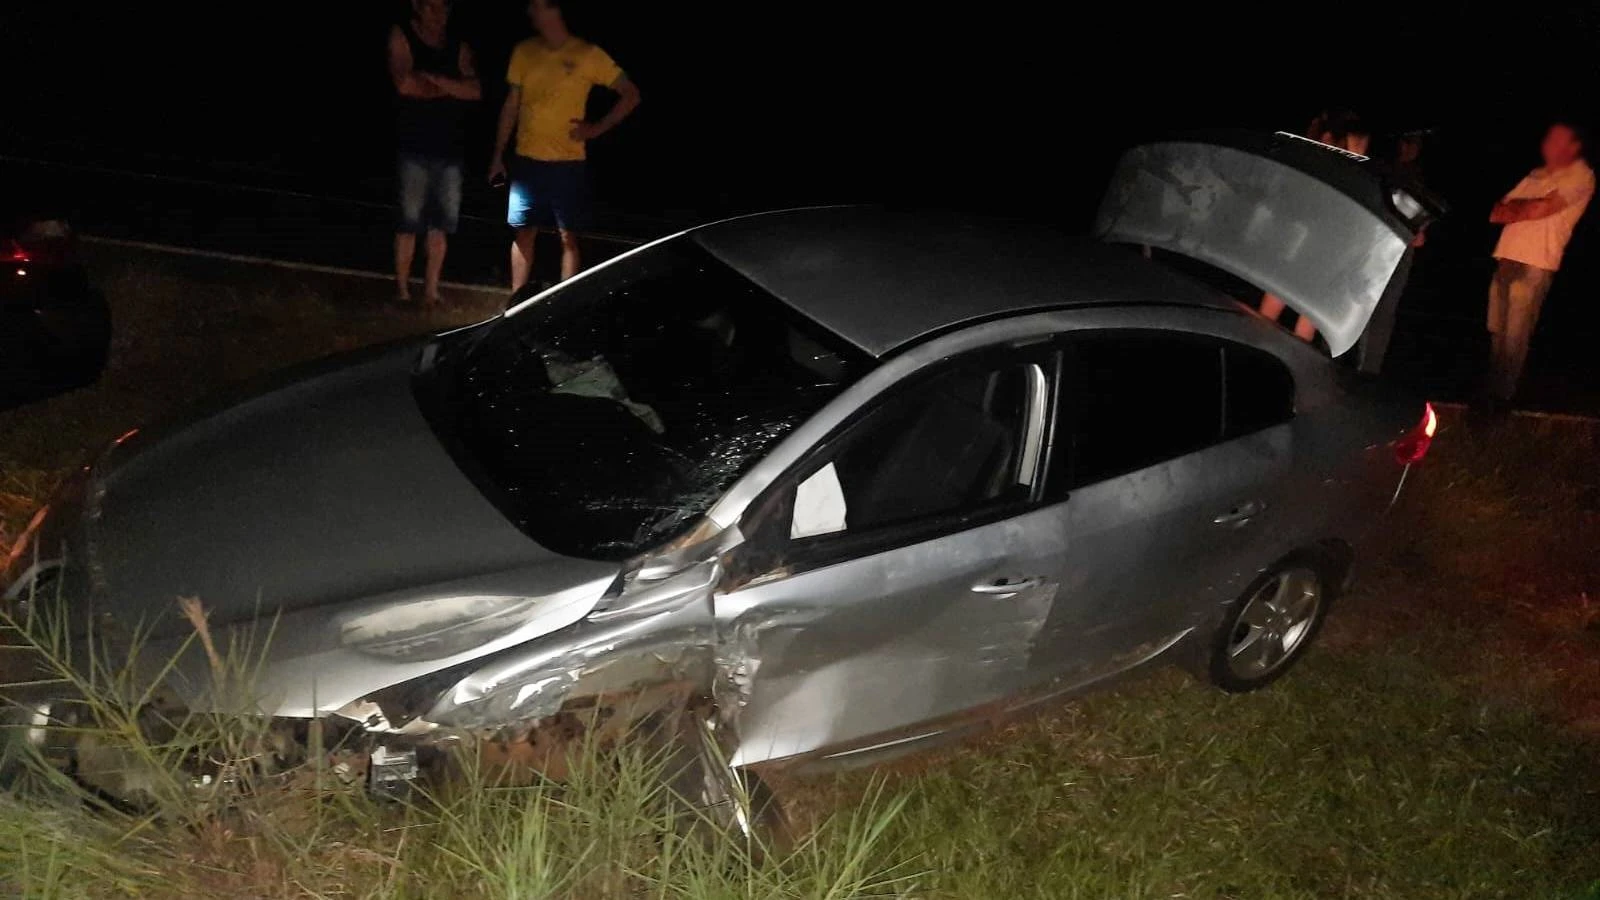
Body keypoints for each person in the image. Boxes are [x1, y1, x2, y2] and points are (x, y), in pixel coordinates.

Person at [489, 0, 641, 291]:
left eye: (538, 7)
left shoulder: (587, 54)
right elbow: (511, 105)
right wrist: (498, 155)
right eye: (531, 8)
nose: (532, 14)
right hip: (527, 160)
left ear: (555, 10)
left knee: (568, 237)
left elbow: (630, 94)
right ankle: (516, 301)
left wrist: (595, 128)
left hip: (568, 162)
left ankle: (563, 303)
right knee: (523, 232)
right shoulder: (524, 51)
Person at [1485, 122, 1594, 404]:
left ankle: (1502, 398)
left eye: (1558, 140)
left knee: (1515, 334)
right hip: (1507, 255)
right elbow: (1496, 212)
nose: (1549, 144)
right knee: (1497, 329)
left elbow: (1540, 209)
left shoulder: (1580, 174)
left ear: (1574, 146)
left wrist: (1520, 208)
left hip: (1536, 260)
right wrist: (1528, 207)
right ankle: (1492, 392)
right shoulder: (1536, 174)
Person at [388, 0, 480, 305]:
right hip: (413, 146)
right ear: (417, 6)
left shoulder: (458, 46)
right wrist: (453, 88)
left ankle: (431, 290)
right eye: (432, 7)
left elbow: (474, 90)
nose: (439, 15)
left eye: (444, 8)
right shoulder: (403, 35)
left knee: (440, 225)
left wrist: (436, 81)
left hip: (449, 148)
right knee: (408, 223)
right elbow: (405, 83)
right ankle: (402, 291)